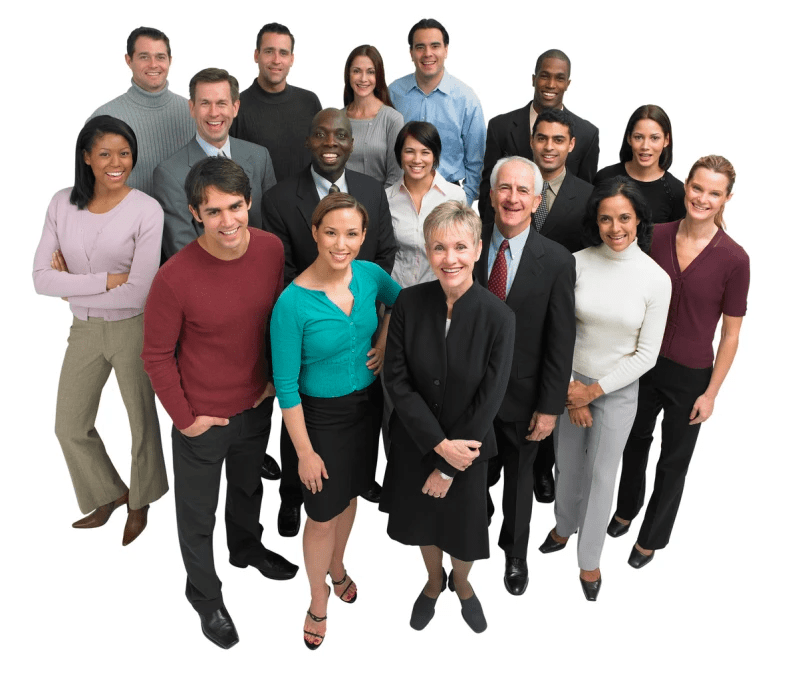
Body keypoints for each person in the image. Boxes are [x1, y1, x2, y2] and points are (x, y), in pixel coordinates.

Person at [142, 156, 298, 650]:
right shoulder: (174, 277)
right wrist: (185, 420)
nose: (228, 221)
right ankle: (205, 595)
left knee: (248, 489)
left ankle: (246, 548)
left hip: (255, 405)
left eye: (235, 207)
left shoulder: (271, 249)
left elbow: (276, 320)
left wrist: (271, 382)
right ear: (194, 214)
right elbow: (156, 356)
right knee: (197, 514)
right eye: (213, 211)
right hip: (202, 419)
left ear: (249, 203)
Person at [270, 193, 401, 650]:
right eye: (330, 232)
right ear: (315, 233)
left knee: (349, 497)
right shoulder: (292, 303)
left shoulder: (370, 275)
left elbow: (401, 305)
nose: (340, 244)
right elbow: (286, 387)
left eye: (351, 234)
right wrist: (304, 452)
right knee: (322, 514)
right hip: (318, 421)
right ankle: (317, 597)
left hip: (366, 410)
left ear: (363, 237)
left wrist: (382, 341)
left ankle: (338, 566)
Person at [607, 156, 749, 569]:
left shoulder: (735, 259)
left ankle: (652, 537)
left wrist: (711, 394)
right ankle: (626, 509)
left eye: (714, 193)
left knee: (673, 461)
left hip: (691, 375)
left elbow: (731, 334)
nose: (703, 198)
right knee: (633, 442)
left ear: (726, 199)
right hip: (643, 364)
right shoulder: (655, 234)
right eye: (697, 188)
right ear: (686, 186)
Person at [33, 115, 168, 546]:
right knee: (69, 424)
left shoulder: (146, 210)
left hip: (134, 329)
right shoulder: (61, 204)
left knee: (141, 421)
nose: (116, 163)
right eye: (105, 153)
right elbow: (40, 279)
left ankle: (141, 501)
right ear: (86, 157)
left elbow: (140, 292)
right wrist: (107, 280)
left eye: (124, 153)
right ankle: (110, 493)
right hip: (84, 330)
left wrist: (72, 287)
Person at [381, 200, 515, 634]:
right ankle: (434, 581)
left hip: (468, 450)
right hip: (417, 442)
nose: (449, 258)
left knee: (463, 530)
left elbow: (490, 398)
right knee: (424, 522)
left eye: (460, 246)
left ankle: (462, 582)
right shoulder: (408, 302)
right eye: (439, 247)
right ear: (427, 251)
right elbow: (396, 379)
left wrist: (450, 465)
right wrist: (439, 448)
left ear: (477, 249)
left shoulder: (500, 317)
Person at [263, 108, 397, 534]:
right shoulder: (280, 197)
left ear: (352, 143)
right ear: (308, 141)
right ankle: (292, 496)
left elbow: (384, 255)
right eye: (320, 134)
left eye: (340, 134)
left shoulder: (372, 191)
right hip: (308, 329)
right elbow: (281, 270)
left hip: (357, 337)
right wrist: (320, 294)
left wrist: (378, 330)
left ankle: (350, 485)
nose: (330, 143)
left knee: (350, 467)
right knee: (301, 439)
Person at [539, 177, 671, 601]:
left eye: (625, 218)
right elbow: (557, 330)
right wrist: (572, 388)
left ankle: (589, 559)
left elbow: (646, 354)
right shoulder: (575, 263)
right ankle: (563, 526)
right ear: (595, 222)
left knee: (600, 475)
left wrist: (592, 393)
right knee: (566, 465)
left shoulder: (655, 279)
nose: (616, 228)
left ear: (639, 220)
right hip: (568, 383)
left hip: (617, 392)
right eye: (606, 219)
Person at [477, 157, 576, 596]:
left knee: (519, 482)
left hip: (524, 395)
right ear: (491, 194)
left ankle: (515, 554)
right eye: (505, 188)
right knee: (472, 471)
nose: (512, 198)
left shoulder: (556, 261)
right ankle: (470, 531)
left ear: (537, 201)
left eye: (523, 191)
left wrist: (550, 407)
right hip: (470, 392)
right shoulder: (468, 243)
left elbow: (560, 340)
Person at [524, 107, 594, 505]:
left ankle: (541, 467)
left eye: (557, 140)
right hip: (514, 303)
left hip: (562, 307)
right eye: (542, 138)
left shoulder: (587, 195)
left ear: (571, 145)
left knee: (551, 385)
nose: (548, 147)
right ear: (531, 141)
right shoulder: (514, 183)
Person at [155, 68, 277, 261]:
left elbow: (272, 229)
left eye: (221, 103)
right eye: (205, 103)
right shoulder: (169, 174)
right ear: (192, 108)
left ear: (235, 107)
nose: (214, 113)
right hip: (206, 275)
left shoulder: (259, 156)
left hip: (261, 267)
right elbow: (183, 254)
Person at [478, 49, 599, 223]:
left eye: (559, 78)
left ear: (567, 84)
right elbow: (488, 188)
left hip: (563, 234)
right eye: (544, 76)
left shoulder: (587, 133)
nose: (551, 84)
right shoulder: (500, 127)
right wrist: (490, 233)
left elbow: (584, 195)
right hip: (508, 229)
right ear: (533, 79)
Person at [389, 18, 485, 205]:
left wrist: (464, 201)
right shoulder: (394, 93)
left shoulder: (466, 99)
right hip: (401, 195)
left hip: (449, 197)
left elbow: (477, 160)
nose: (428, 54)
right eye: (420, 47)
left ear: (446, 50)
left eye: (435, 46)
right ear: (411, 52)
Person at [89, 27, 194, 196]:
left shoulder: (194, 113)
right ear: (129, 60)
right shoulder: (104, 118)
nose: (153, 64)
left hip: (186, 213)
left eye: (160, 57)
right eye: (144, 57)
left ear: (170, 60)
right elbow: (90, 188)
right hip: (125, 213)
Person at [231, 22, 322, 183]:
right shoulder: (237, 107)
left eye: (283, 53)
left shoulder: (310, 102)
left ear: (291, 59)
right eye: (269, 51)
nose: (276, 60)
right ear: (256, 55)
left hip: (307, 199)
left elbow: (322, 156)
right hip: (257, 199)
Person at [386, 121, 466, 288]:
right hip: (396, 292)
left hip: (440, 292)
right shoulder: (387, 198)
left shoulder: (455, 196)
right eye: (409, 151)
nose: (417, 160)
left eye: (425, 152)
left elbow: (462, 250)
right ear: (399, 154)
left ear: (435, 156)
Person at [594, 105, 685, 224]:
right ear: (629, 138)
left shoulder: (677, 192)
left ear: (666, 140)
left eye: (654, 138)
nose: (645, 146)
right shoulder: (604, 177)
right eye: (638, 137)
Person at [343, 45, 404, 188]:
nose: (363, 78)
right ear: (348, 75)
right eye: (356, 71)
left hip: (382, 200)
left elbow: (396, 177)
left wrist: (377, 200)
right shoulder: (338, 118)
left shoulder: (393, 119)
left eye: (370, 72)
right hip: (341, 200)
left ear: (378, 76)